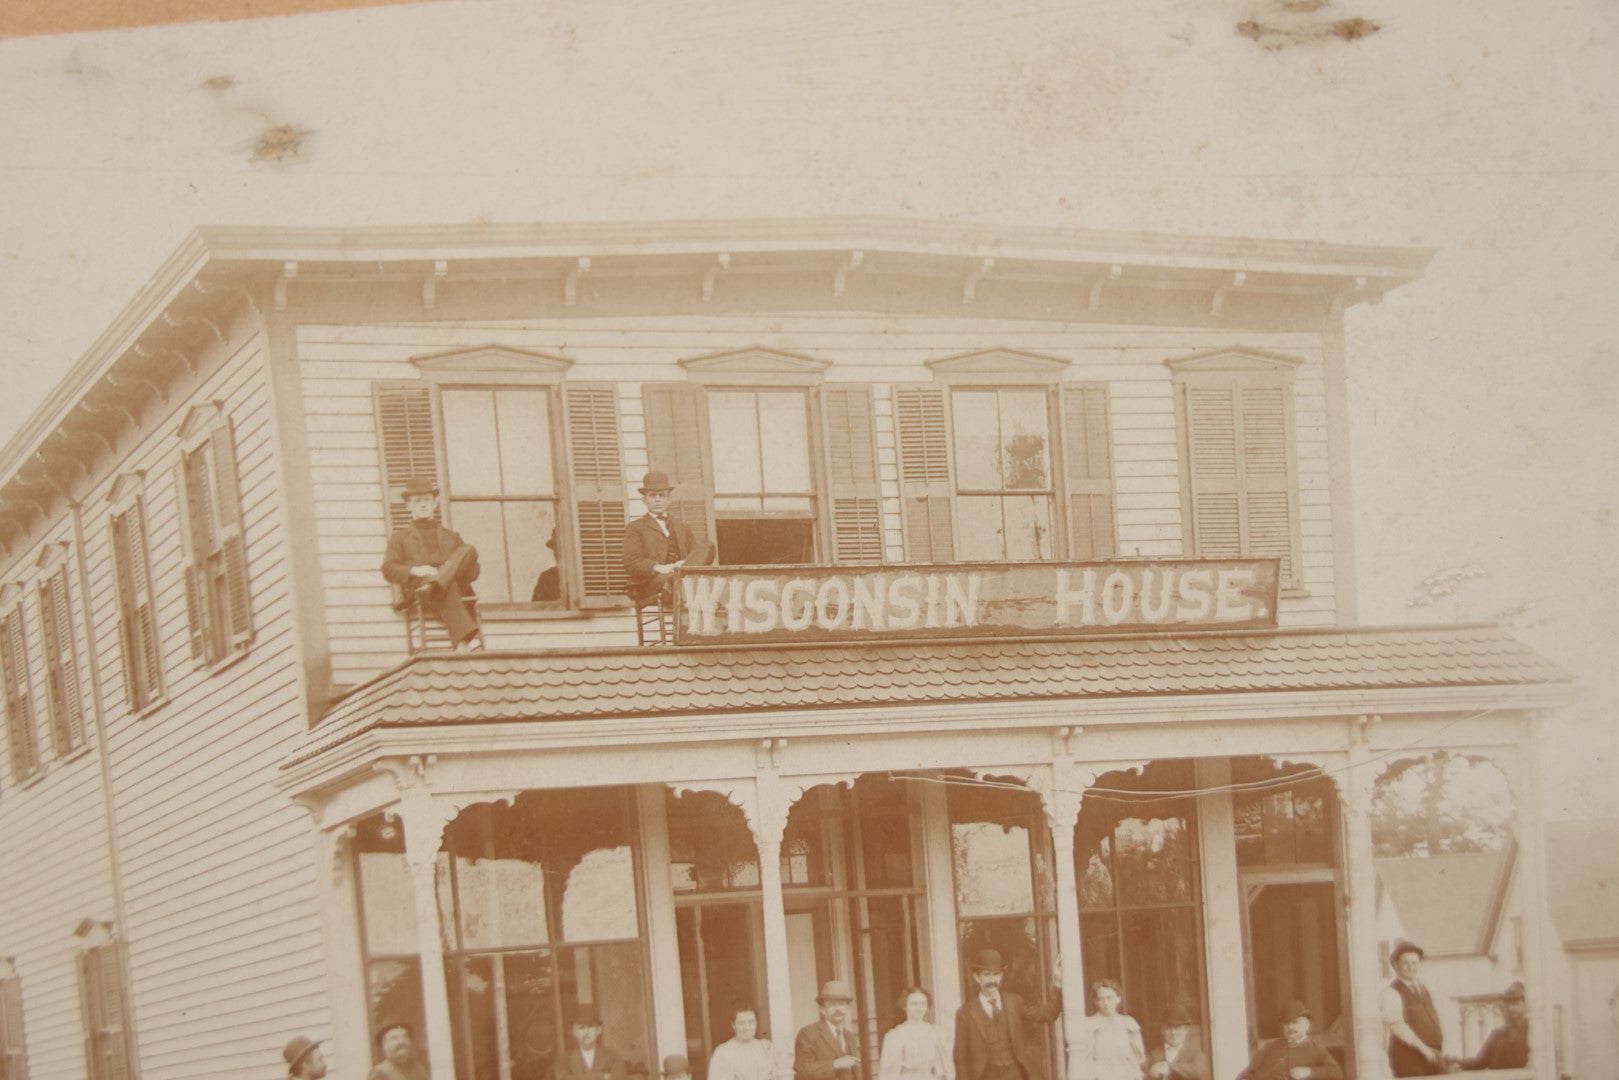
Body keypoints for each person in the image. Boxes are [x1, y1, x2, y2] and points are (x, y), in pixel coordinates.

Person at [381, 476, 482, 649]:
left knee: (469, 549)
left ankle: (438, 583)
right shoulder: (400, 538)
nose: (423, 505)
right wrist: (416, 570)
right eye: (418, 500)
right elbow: (388, 569)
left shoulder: (452, 536)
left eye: (427, 500)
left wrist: (451, 570)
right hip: (422, 588)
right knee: (447, 585)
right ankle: (468, 640)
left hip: (451, 584)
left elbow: (473, 573)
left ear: (434, 503)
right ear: (409, 505)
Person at [953, 949, 1063, 1080]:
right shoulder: (965, 1013)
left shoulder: (1014, 1002)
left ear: (1001, 977)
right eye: (986, 975)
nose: (992, 980)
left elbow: (1048, 1014)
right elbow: (960, 1057)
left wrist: (1057, 984)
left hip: (1015, 1074)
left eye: (996, 974)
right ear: (977, 977)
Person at [623, 470, 713, 607]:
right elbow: (632, 563)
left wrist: (683, 564)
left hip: (682, 575)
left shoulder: (682, 526)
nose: (657, 499)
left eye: (662, 495)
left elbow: (695, 555)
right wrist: (659, 567)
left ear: (669, 500)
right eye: (652, 495)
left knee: (707, 546)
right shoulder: (635, 528)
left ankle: (678, 580)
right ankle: (675, 582)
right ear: (644, 500)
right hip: (653, 582)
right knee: (674, 579)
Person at [1382, 941, 1446, 1077]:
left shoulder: (1423, 989)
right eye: (1406, 963)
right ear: (1395, 965)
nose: (1411, 967)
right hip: (1409, 1059)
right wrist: (1424, 1049)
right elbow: (1397, 1026)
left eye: (1414, 963)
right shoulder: (1391, 992)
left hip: (1431, 1056)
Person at [1236, 1001, 1342, 1080]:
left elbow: (1336, 1073)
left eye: (1295, 1022)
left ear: (1307, 1025)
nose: (1290, 1027)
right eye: (1286, 1023)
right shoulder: (1270, 1047)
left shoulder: (1316, 1050)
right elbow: (1247, 1073)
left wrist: (1309, 1071)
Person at [1072, 979, 1145, 1080]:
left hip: (1126, 1074)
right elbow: (1085, 1059)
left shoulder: (1128, 1023)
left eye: (1109, 998)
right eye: (1101, 999)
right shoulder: (1090, 1024)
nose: (1106, 1003)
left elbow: (1138, 1057)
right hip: (1101, 1075)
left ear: (1118, 998)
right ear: (1095, 1001)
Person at [880, 986, 953, 1080]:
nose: (918, 1008)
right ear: (905, 1006)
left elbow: (942, 1069)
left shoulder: (934, 1033)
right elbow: (889, 1074)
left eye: (922, 1004)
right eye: (913, 1004)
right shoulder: (896, 1035)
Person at [796, 980, 863, 1080]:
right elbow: (801, 1070)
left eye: (841, 1004)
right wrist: (834, 1064)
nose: (838, 1009)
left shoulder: (850, 1037)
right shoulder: (808, 1033)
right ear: (822, 1009)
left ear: (847, 1008)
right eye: (832, 1004)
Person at [1458, 981, 1529, 1070]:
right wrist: (1458, 1063)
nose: (1510, 1009)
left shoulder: (1532, 1033)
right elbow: (1480, 1062)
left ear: (1525, 1005)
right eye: (1507, 1004)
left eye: (1515, 1003)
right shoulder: (1497, 1035)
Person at [552, 1004, 630, 1080]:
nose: (586, 1032)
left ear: (598, 1030)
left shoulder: (613, 1057)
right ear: (574, 1032)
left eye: (590, 1026)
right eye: (581, 1028)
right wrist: (601, 1076)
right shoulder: (564, 1060)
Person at [709, 1004, 775, 1080]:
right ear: (733, 1025)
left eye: (751, 1022)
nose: (747, 1027)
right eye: (741, 1023)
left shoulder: (766, 1048)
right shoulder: (723, 1053)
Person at [1145, 1004, 1208, 1080]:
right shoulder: (1153, 1056)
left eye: (1177, 1028)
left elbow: (1199, 1072)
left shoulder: (1195, 1053)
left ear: (1186, 1030)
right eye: (1169, 1028)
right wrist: (1151, 1076)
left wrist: (1170, 1066)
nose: (1173, 1032)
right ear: (1162, 1030)